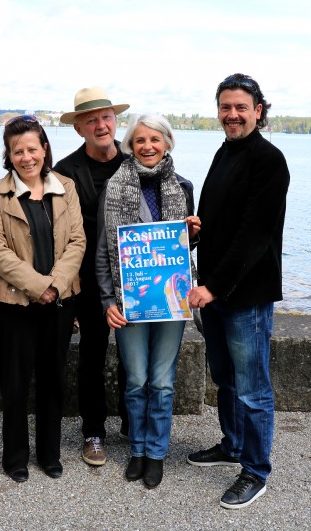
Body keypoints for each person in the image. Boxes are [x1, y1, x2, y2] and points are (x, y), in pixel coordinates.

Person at [187, 73, 290, 509]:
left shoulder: (269, 160)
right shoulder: (224, 152)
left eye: (240, 108)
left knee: (252, 388)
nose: (232, 115)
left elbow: (253, 236)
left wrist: (211, 286)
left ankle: (255, 469)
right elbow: (222, 220)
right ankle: (232, 444)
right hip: (215, 291)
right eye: (225, 108)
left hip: (245, 295)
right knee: (225, 378)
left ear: (258, 111)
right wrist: (194, 229)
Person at [96, 114, 201, 488]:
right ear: (130, 145)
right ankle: (137, 450)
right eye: (139, 140)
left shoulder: (184, 186)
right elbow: (103, 253)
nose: (147, 146)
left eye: (155, 139)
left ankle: (156, 453)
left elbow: (182, 248)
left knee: (162, 381)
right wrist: (109, 299)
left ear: (168, 143)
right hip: (130, 300)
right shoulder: (114, 186)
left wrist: (192, 235)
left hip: (171, 300)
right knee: (137, 380)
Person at [0, 115, 86, 483]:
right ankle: (15, 457)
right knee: (15, 381)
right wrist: (38, 287)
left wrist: (55, 285)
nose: (27, 157)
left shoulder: (65, 186)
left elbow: (77, 242)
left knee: (53, 378)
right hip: (15, 303)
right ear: (9, 155)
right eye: (17, 150)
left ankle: (49, 453)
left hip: (61, 300)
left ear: (44, 148)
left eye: (32, 148)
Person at [54, 87, 130, 466]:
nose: (101, 125)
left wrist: (188, 234)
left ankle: (133, 425)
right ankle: (94, 432)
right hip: (86, 280)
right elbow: (58, 235)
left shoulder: (137, 161)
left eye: (106, 117)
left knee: (136, 358)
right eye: (91, 120)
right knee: (92, 356)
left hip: (136, 276)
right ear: (78, 128)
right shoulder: (64, 172)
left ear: (115, 121)